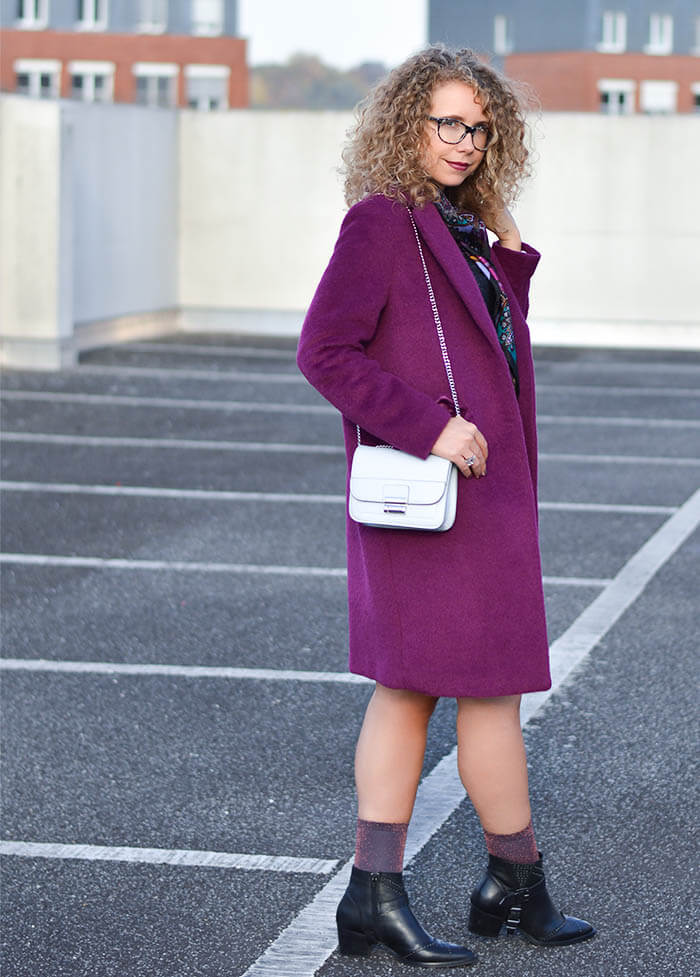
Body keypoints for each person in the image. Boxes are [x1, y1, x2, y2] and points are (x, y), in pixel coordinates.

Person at [297, 45, 595, 968]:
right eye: (446, 123)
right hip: (430, 502)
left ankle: (510, 880)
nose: (464, 141)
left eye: (479, 126)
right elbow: (325, 352)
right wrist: (428, 427)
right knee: (412, 686)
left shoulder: (455, 227)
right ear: (406, 125)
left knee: (490, 690)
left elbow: (491, 340)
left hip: (487, 507)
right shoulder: (380, 223)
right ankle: (381, 892)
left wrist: (502, 233)